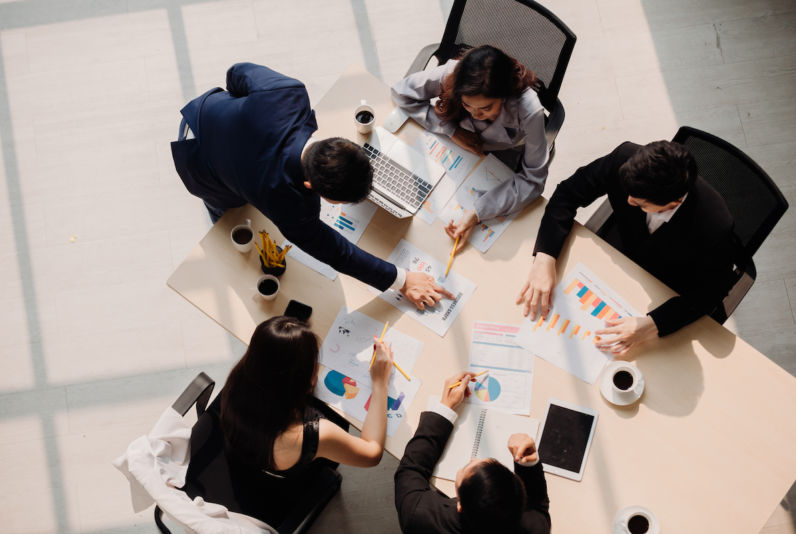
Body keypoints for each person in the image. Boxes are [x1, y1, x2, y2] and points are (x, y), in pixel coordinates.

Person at [171, 62, 451, 309]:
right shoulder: (288, 204)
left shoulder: (288, 94)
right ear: (309, 185)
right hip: (197, 161)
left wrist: (240, 113)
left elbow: (237, 72)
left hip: (207, 114)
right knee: (228, 213)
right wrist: (401, 280)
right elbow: (337, 253)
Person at [516, 140, 740, 356]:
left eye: (640, 202)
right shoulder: (625, 158)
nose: (629, 201)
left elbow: (711, 292)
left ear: (673, 203)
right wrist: (545, 257)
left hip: (667, 284)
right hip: (620, 260)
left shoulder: (715, 225)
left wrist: (653, 324)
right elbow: (568, 193)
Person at [215, 316, 393, 524]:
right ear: (307, 381)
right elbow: (372, 453)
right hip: (284, 484)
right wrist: (380, 383)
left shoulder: (242, 376)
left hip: (246, 450)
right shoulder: (312, 435)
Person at [392, 45, 549, 252]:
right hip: (456, 150)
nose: (476, 114)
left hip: (499, 153)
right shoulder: (453, 74)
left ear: (504, 95)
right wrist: (451, 131)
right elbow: (401, 92)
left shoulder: (529, 110)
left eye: (486, 108)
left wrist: (478, 212)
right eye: (467, 106)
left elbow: (533, 180)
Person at [394, 372, 551, 534]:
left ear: (460, 505)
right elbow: (538, 508)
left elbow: (410, 470)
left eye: (466, 468)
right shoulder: (534, 530)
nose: (475, 458)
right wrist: (529, 465)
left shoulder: (418, 516)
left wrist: (445, 407)